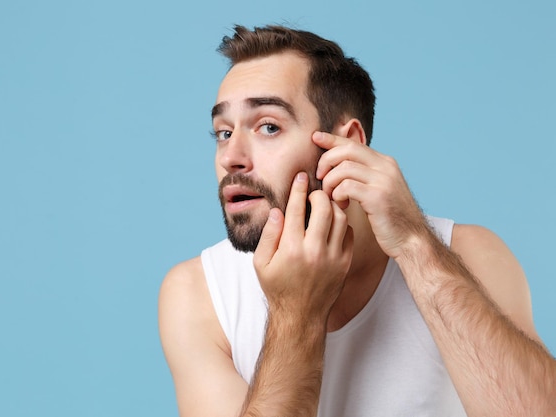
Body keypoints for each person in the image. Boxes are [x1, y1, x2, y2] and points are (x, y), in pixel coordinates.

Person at [158, 24, 556, 417]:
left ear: (345, 143)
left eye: (268, 126)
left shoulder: (472, 254)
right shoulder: (198, 294)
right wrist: (296, 313)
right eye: (223, 132)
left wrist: (416, 245)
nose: (231, 157)